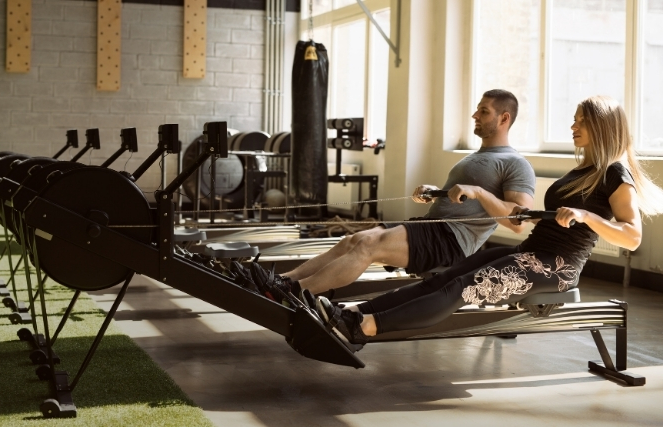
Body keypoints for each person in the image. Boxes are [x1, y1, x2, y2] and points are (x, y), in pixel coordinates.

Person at [315, 95, 663, 346]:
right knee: (444, 278)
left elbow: (632, 237)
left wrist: (586, 215)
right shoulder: (583, 169)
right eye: (574, 119)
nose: (573, 125)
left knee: (461, 288)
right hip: (532, 252)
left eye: (581, 120)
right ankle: (352, 310)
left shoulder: (615, 173)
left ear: (602, 126)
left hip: (557, 268)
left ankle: (364, 327)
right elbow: (526, 219)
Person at [238, 89, 536, 303]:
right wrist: (435, 192)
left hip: (453, 241)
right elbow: (464, 196)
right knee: (351, 240)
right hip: (432, 226)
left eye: (484, 111)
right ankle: (282, 281)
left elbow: (519, 222)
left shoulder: (515, 164)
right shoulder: (477, 156)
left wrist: (480, 192)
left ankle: (291, 292)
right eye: (477, 109)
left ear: (504, 118)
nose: (475, 114)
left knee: (368, 245)